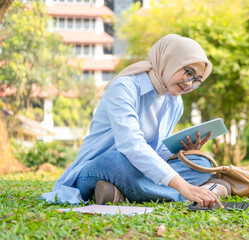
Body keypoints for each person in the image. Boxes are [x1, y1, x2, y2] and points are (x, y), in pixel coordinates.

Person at [41, 34, 231, 208]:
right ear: (169, 60)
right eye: (188, 72)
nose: (189, 83)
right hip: (101, 166)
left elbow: (155, 150)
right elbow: (131, 146)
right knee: (116, 161)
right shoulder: (124, 87)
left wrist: (184, 151)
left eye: (197, 79)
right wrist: (183, 187)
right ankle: (201, 191)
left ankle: (120, 193)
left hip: (139, 170)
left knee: (200, 162)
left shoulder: (174, 101)